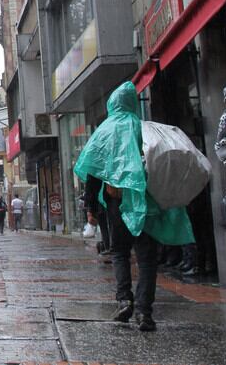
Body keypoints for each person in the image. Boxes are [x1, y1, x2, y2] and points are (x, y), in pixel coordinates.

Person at [74, 82, 194, 332]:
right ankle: (144, 311)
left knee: (119, 252)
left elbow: (94, 170)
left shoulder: (104, 132)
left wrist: (92, 205)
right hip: (145, 203)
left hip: (116, 203)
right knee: (146, 258)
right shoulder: (144, 129)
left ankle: (124, 299)